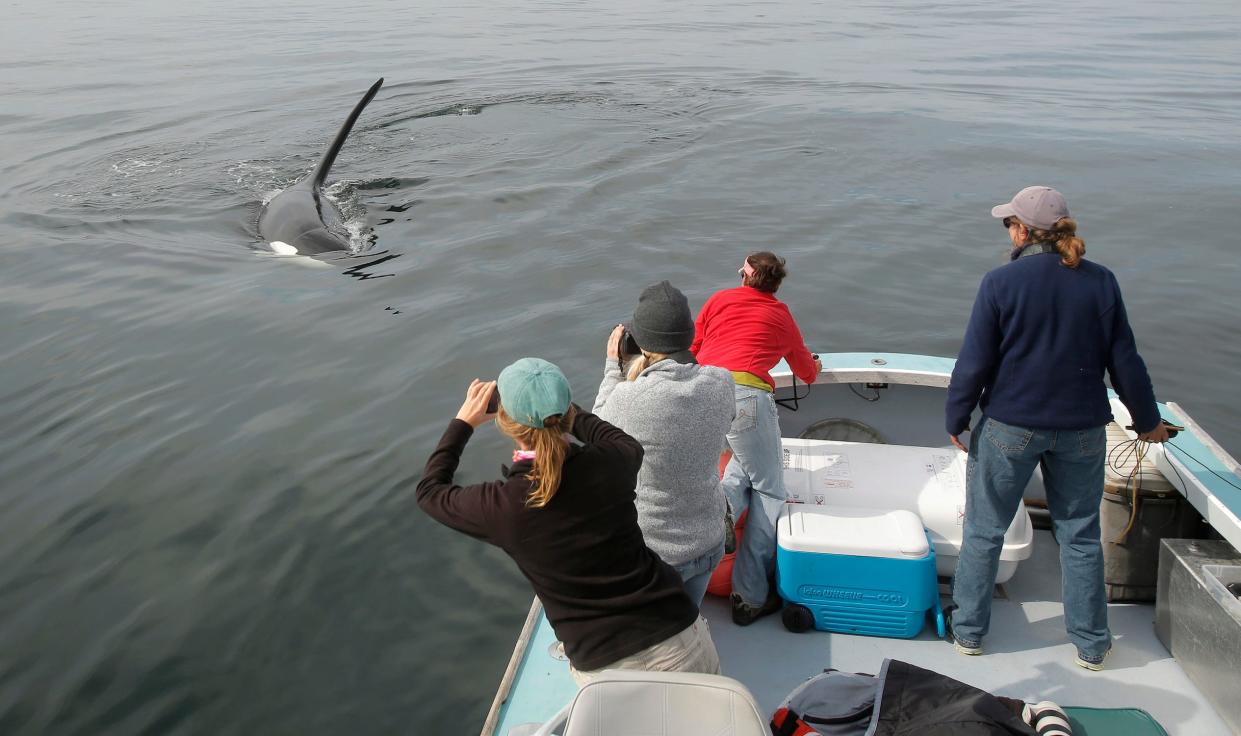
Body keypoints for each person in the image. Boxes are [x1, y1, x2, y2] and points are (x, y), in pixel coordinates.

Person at [944, 186, 1169, 671]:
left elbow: (974, 363)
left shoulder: (1001, 283)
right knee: (1080, 537)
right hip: (1083, 430)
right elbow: (1125, 361)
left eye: (1009, 223)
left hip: (1010, 426)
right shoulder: (1101, 283)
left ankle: (968, 633)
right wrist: (1147, 422)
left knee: (984, 532)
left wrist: (957, 418)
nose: (1008, 230)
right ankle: (1091, 644)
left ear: (1023, 231)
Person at [415, 357, 720, 685]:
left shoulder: (504, 506)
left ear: (504, 421)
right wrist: (560, 408)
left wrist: (463, 423)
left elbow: (430, 491)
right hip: (684, 641)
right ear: (565, 413)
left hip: (609, 674)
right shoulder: (614, 461)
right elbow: (618, 440)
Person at [691, 252, 822, 625]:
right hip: (746, 398)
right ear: (776, 284)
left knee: (742, 469)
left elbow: (696, 349)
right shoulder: (780, 315)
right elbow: (806, 373)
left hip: (705, 393)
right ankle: (748, 598)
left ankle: (720, 512)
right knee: (769, 491)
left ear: (744, 277)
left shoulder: (718, 300)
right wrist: (816, 366)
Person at [593, 281, 736, 607]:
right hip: (708, 544)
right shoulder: (722, 382)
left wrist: (612, 369)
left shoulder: (629, 399)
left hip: (657, 555)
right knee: (687, 620)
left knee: (657, 639)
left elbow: (597, 436)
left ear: (640, 342)